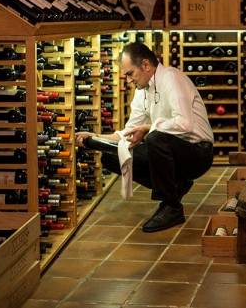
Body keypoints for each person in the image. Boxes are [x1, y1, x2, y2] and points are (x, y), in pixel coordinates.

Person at [76, 42, 214, 232]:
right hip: (170, 151)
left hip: (198, 153)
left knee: (155, 138)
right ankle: (175, 185)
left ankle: (172, 207)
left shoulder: (171, 79)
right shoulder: (142, 91)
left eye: (130, 74)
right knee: (111, 156)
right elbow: (130, 132)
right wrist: (96, 137)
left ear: (146, 65)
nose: (129, 81)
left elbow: (185, 124)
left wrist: (149, 128)